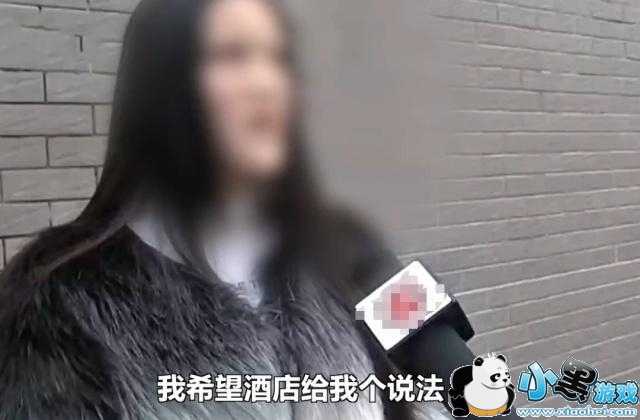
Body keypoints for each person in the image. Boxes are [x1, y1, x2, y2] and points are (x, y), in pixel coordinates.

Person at [0, 0, 450, 419]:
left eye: (279, 58)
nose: (268, 83)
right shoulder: (58, 305)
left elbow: (455, 390)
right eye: (232, 56)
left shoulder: (346, 253)